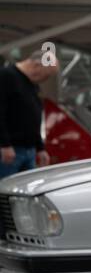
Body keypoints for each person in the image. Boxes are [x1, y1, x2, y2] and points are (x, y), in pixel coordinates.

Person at [0, 49, 59, 178]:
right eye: (46, 75)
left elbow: (33, 118)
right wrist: (4, 145)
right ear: (36, 65)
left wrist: (40, 148)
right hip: (10, 149)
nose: (45, 79)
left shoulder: (33, 84)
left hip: (29, 150)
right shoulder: (6, 76)